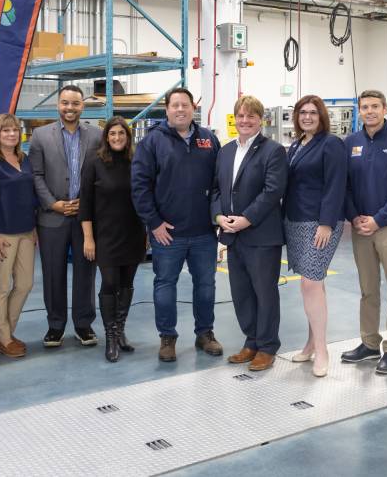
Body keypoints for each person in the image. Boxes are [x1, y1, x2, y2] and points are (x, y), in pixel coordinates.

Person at [132, 87, 223, 362]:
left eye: (185, 105)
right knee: (165, 285)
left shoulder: (208, 139)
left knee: (206, 285)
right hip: (167, 233)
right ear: (167, 110)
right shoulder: (152, 142)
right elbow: (139, 186)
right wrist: (154, 223)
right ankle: (167, 337)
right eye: (175, 105)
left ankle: (205, 333)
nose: (181, 109)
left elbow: (219, 184)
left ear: (193, 107)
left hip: (204, 232)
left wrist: (217, 217)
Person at [341, 90, 387, 375]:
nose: (370, 111)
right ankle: (370, 343)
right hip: (361, 229)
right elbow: (344, 185)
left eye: (375, 106)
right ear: (359, 111)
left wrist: (378, 219)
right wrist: (354, 217)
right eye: (365, 107)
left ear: (385, 109)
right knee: (367, 290)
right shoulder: (351, 143)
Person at [211, 96, 288, 372]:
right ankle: (251, 341)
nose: (245, 121)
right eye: (240, 116)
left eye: (251, 116)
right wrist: (218, 216)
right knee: (241, 292)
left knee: (264, 292)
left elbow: (272, 192)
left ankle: (267, 347)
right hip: (233, 235)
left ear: (261, 120)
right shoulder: (225, 151)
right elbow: (217, 190)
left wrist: (246, 220)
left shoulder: (273, 151)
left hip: (261, 236)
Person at [28, 85, 102, 348]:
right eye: (65, 103)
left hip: (85, 219)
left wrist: (87, 204)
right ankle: (55, 326)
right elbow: (35, 175)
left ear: (83, 106)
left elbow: (100, 175)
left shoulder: (96, 135)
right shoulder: (39, 136)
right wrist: (53, 204)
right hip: (52, 218)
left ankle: (84, 325)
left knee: (86, 272)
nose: (69, 108)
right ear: (58, 105)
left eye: (75, 104)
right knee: (52, 273)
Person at [283, 95, 346, 378]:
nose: (307, 117)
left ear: (322, 116)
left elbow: (336, 184)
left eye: (312, 113)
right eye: (302, 112)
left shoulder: (330, 144)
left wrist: (326, 223)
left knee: (311, 282)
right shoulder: (297, 145)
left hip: (318, 223)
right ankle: (310, 344)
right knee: (311, 285)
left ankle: (322, 350)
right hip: (295, 220)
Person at [79, 117, 147, 362]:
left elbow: (144, 196)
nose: (117, 138)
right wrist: (88, 238)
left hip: (133, 233)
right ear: (106, 137)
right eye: (112, 134)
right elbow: (84, 204)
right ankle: (110, 336)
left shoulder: (137, 161)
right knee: (109, 283)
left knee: (127, 285)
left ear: (128, 137)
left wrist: (147, 231)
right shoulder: (94, 162)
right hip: (105, 236)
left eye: (121, 133)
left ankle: (119, 331)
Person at [0, 114, 37, 359]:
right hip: (1, 234)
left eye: (15, 130)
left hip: (25, 231)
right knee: (1, 287)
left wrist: (33, 229)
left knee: (25, 284)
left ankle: (6, 332)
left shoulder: (25, 159)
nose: (11, 134)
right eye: (6, 131)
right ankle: (2, 337)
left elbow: (30, 197)